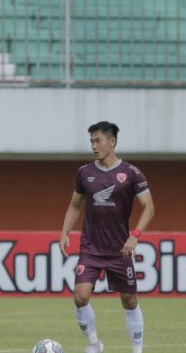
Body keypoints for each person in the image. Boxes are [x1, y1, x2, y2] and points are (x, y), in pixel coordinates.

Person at [59, 121, 155, 353]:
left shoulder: (131, 173)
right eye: (91, 141)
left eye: (98, 140)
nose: (94, 146)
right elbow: (74, 205)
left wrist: (135, 236)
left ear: (112, 142)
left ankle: (137, 351)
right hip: (90, 247)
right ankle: (94, 345)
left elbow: (149, 207)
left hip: (119, 249)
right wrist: (64, 233)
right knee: (80, 297)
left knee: (129, 300)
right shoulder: (84, 173)